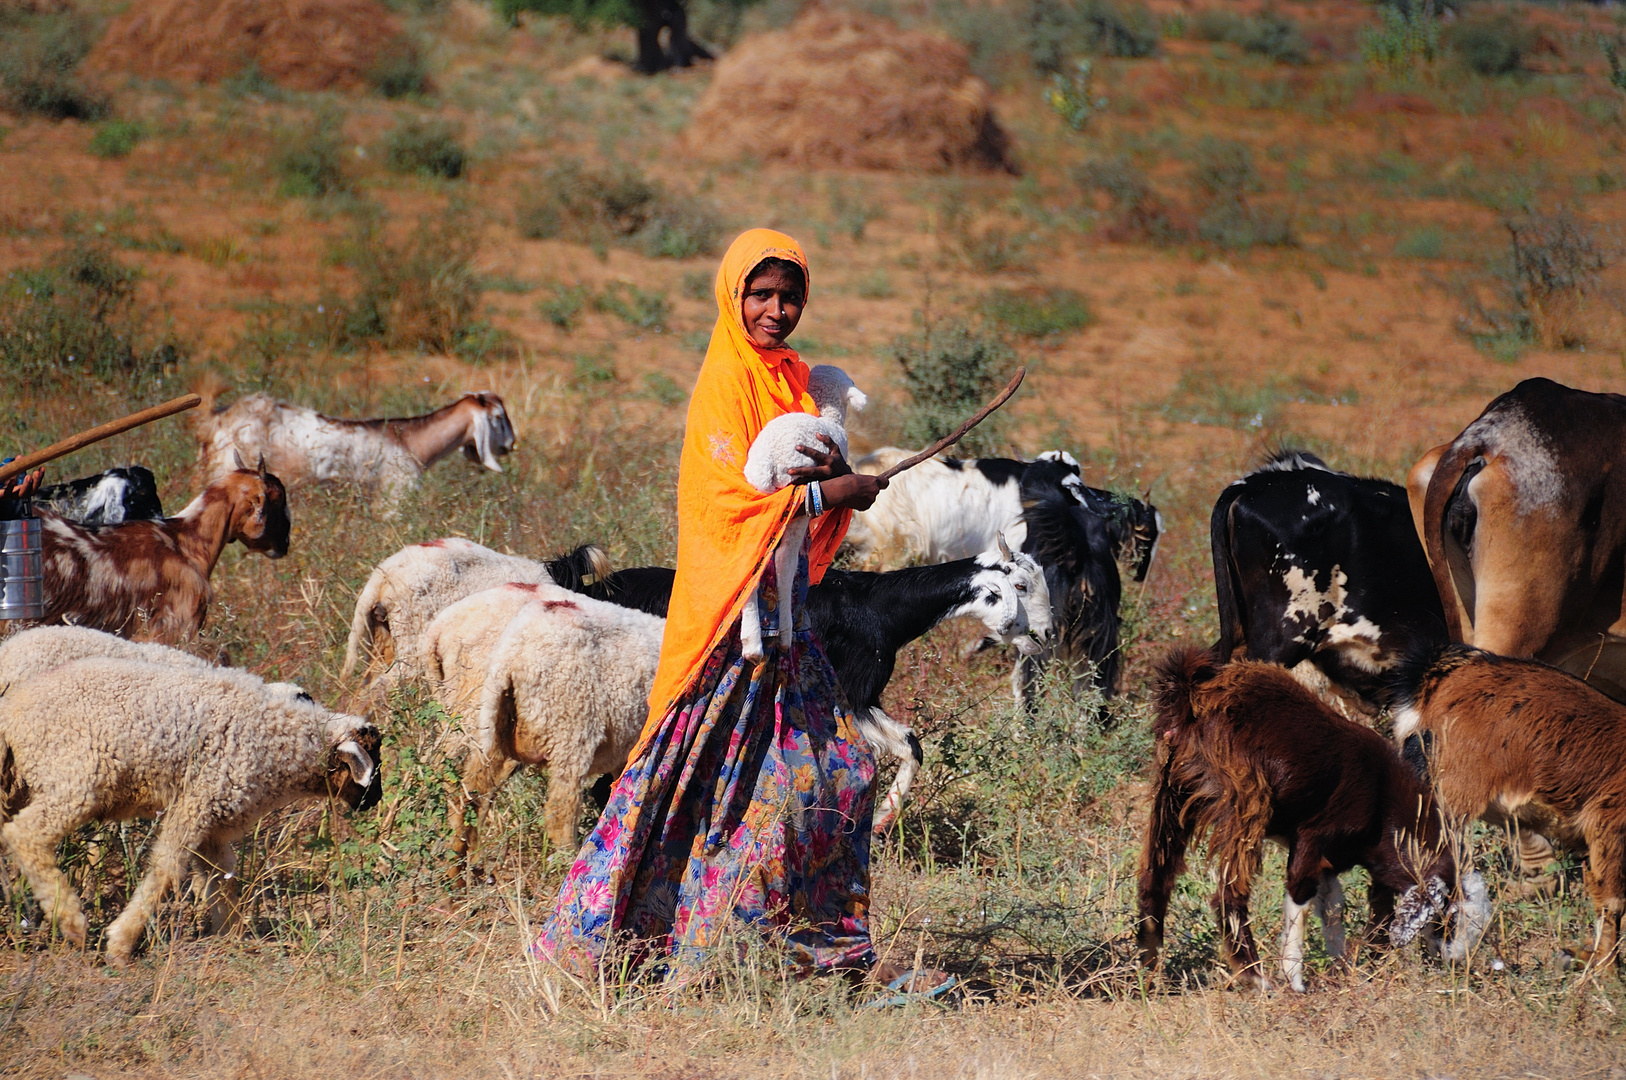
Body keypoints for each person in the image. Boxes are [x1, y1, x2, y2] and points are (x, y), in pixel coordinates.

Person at [535, 230, 944, 992]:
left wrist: (842, 481)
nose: (777, 310)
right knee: (682, 788)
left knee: (839, 775)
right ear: (733, 295)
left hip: (786, 622)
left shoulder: (791, 376)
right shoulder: (723, 380)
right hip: (730, 624)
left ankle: (819, 960)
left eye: (790, 296)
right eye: (762, 294)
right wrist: (827, 495)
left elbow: (804, 471)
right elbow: (727, 505)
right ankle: (607, 950)